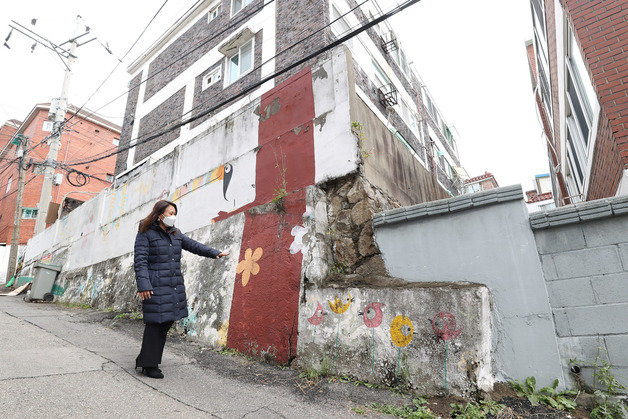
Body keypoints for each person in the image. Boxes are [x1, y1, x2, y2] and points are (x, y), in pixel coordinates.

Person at [134, 200, 228, 378]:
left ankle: (145, 359)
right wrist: (144, 284)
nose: (173, 217)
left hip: (172, 284)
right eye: (170, 213)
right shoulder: (145, 233)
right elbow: (140, 260)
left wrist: (214, 252)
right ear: (159, 214)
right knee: (156, 323)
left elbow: (194, 245)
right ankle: (149, 365)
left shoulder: (175, 233)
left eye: (174, 213)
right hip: (154, 285)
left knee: (165, 322)